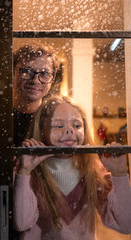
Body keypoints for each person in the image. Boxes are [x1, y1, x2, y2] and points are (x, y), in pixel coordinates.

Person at [14, 95, 131, 239]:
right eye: (58, 125)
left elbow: (125, 225)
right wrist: (24, 172)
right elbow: (22, 223)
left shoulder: (93, 170)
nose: (69, 131)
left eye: (76, 125)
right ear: (41, 129)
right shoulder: (31, 170)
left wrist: (120, 174)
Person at [13, 43, 60, 146]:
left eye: (44, 74)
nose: (35, 81)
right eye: (27, 71)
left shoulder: (56, 116)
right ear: (12, 73)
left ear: (52, 79)